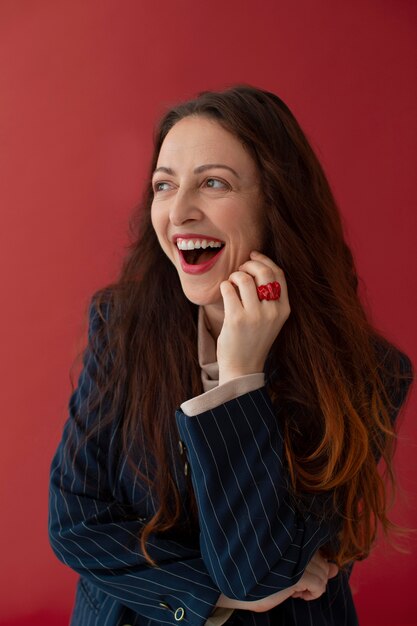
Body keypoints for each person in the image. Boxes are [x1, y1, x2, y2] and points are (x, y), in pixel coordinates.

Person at [49, 85, 412, 626]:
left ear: (276, 202)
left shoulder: (369, 372)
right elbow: (76, 524)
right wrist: (215, 595)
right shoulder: (120, 327)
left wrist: (240, 379)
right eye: (164, 186)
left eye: (213, 183)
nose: (179, 211)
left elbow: (257, 572)